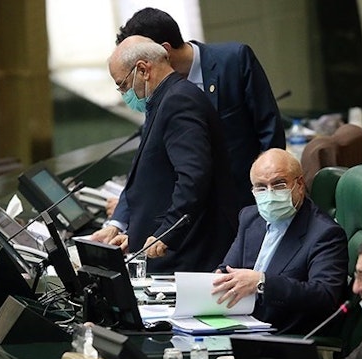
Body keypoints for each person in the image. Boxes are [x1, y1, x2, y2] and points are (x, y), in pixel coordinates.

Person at [90, 36, 238, 273]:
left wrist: (166, 234)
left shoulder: (179, 100)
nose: (123, 93)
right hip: (170, 247)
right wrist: (136, 236)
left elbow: (193, 176)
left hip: (188, 252)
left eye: (123, 85)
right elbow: (161, 179)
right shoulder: (164, 100)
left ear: (143, 70)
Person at [116, 7, 286, 208]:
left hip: (247, 201)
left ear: (164, 51)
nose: (142, 73)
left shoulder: (234, 60)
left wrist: (267, 195)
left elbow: (270, 131)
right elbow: (148, 159)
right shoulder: (155, 88)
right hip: (196, 212)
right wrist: (119, 218)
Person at [211, 148, 348, 335]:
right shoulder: (250, 217)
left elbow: (325, 295)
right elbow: (228, 267)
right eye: (260, 186)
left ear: (299, 185)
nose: (269, 193)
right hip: (237, 321)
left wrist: (262, 283)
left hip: (280, 333)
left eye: (279, 184)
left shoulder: (325, 233)